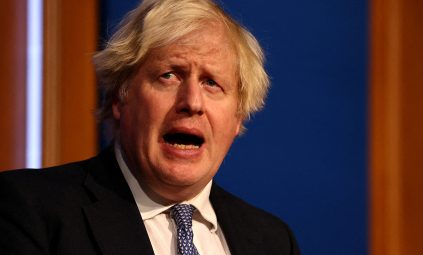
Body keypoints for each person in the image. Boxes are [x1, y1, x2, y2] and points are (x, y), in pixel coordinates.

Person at [0, 0, 300, 254]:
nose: (192, 101)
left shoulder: (273, 241)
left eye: (212, 83)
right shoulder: (28, 209)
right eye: (169, 75)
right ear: (120, 96)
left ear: (238, 118)